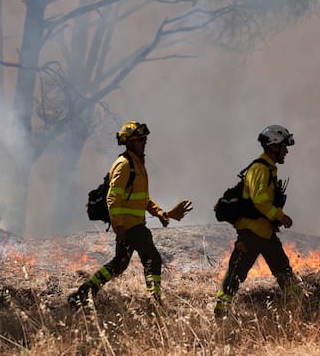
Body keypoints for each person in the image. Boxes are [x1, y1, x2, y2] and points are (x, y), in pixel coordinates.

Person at [68, 121, 193, 307]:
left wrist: (161, 213)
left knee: (119, 264)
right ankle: (155, 301)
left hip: (133, 225)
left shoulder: (137, 164)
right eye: (140, 140)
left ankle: (84, 293)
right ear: (129, 143)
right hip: (130, 226)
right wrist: (119, 226)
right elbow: (113, 197)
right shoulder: (124, 165)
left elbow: (142, 199)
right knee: (153, 259)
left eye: (145, 140)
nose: (144, 143)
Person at [214, 124, 300, 318]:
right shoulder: (260, 169)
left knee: (284, 271)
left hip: (266, 233)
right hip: (251, 234)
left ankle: (299, 310)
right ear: (273, 145)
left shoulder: (269, 169)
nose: (286, 151)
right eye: (283, 146)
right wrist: (280, 216)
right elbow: (259, 201)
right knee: (236, 274)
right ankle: (220, 313)